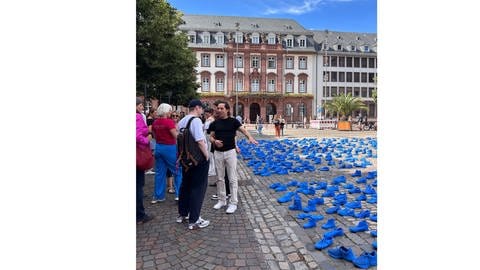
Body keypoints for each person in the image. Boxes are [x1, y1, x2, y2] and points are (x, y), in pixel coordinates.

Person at [208, 101, 258, 214]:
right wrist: (214, 141)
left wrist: (250, 137)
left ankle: (233, 202)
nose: (219, 110)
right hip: (218, 152)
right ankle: (222, 200)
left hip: (230, 152)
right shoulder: (215, 123)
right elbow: (210, 137)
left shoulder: (233, 121)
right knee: (220, 178)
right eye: (218, 109)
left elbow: (243, 130)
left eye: (221, 108)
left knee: (232, 178)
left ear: (227, 110)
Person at [176, 99, 210, 230]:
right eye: (202, 108)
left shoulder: (182, 121)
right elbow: (200, 141)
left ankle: (182, 214)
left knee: (186, 186)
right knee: (198, 188)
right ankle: (194, 220)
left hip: (186, 159)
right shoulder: (195, 121)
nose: (202, 111)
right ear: (197, 108)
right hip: (197, 159)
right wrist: (206, 156)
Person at [151, 103, 182, 203]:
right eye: (169, 110)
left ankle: (158, 196)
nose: (170, 112)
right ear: (165, 111)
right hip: (169, 148)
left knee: (160, 173)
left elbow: (154, 137)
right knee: (177, 171)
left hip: (159, 147)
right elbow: (176, 136)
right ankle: (179, 194)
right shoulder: (169, 122)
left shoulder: (155, 122)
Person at [136, 97, 154, 224]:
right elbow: (136, 136)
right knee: (137, 186)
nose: (143, 107)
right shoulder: (136, 117)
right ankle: (139, 215)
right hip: (137, 154)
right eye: (141, 105)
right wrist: (147, 139)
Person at [203, 108, 216, 178]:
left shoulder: (211, 120)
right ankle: (211, 169)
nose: (205, 114)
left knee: (210, 154)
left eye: (206, 113)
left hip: (209, 138)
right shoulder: (208, 119)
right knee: (209, 154)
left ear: (210, 113)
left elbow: (207, 130)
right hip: (207, 138)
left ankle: (212, 170)